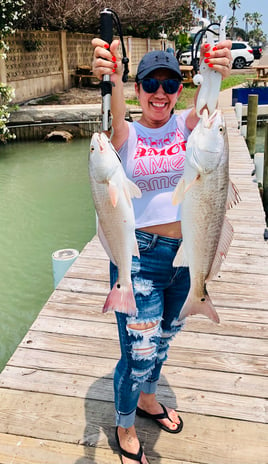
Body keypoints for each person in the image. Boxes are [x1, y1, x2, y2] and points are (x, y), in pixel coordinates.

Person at [92, 36, 232, 464]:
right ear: (138, 90)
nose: (160, 93)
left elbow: (209, 103)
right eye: (150, 83)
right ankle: (125, 421)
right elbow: (115, 114)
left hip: (185, 258)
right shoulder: (126, 134)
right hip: (140, 257)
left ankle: (149, 401)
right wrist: (113, 75)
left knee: (164, 341)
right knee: (138, 353)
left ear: (178, 92)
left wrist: (215, 68)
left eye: (170, 85)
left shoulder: (189, 128)